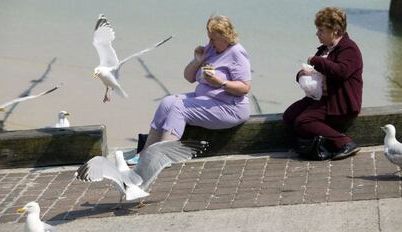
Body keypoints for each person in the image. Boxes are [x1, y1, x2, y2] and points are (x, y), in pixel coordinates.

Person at [127, 15, 252, 164]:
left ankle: (163, 157)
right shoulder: (211, 50)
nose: (210, 43)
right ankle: (144, 154)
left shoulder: (237, 52)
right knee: (168, 102)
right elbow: (188, 77)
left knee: (179, 108)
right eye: (209, 38)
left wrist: (221, 82)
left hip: (231, 107)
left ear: (226, 37)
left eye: (213, 39)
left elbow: (245, 88)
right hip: (207, 100)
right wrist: (197, 60)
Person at [283, 7, 363, 160]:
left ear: (335, 31)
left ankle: (345, 143)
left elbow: (341, 72)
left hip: (339, 101)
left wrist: (316, 60)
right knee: (290, 116)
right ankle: (307, 145)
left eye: (321, 30)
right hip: (321, 97)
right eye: (317, 29)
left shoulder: (349, 49)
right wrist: (301, 74)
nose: (317, 33)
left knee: (303, 121)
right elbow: (315, 71)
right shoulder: (325, 49)